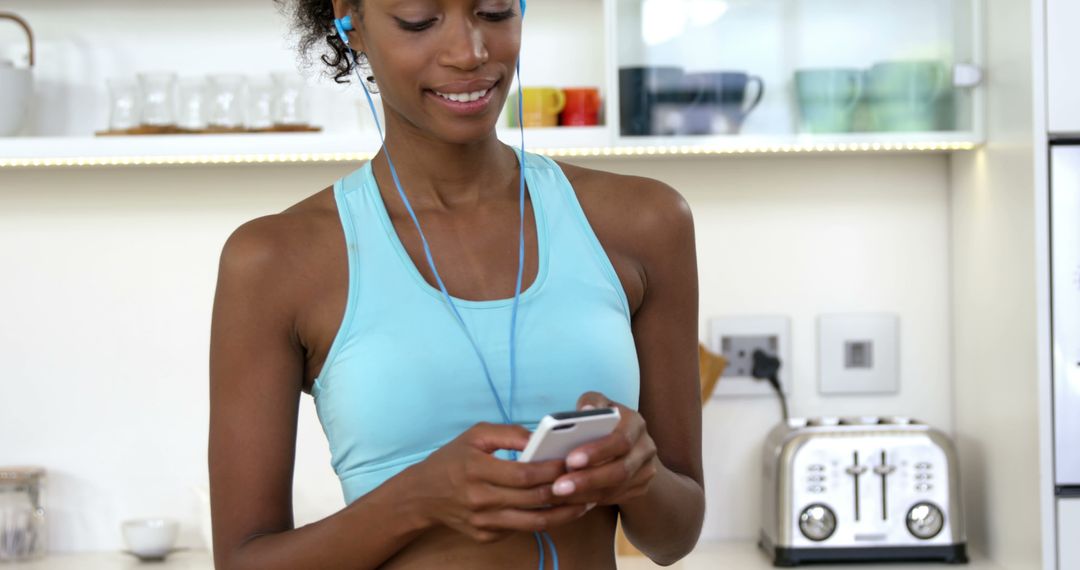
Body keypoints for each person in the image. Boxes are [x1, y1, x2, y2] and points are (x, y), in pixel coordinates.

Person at [207, 0, 703, 568]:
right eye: (419, 20)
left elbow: (675, 535)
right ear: (351, 22)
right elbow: (244, 562)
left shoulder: (646, 222)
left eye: (494, 12)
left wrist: (638, 476)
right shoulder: (275, 261)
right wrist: (419, 500)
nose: (471, 52)